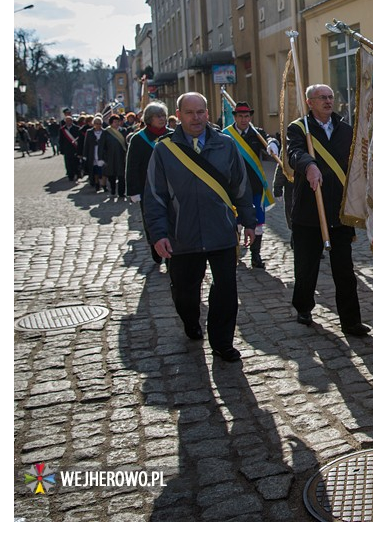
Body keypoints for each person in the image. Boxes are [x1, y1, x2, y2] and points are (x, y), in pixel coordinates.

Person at [144, 92, 256, 362]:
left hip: (221, 232)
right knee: (184, 292)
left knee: (226, 290)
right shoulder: (164, 150)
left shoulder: (226, 145)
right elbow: (155, 196)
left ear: (208, 113)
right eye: (190, 112)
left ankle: (221, 342)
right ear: (179, 115)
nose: (196, 118)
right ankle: (190, 319)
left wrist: (249, 222)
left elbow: (240, 186)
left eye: (201, 112)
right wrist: (158, 235)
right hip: (183, 235)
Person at [286, 84, 369, 337]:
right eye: (322, 97)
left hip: (339, 211)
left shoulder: (345, 129)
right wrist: (308, 164)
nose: (328, 101)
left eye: (331, 97)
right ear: (309, 102)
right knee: (306, 266)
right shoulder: (299, 128)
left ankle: (351, 321)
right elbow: (293, 152)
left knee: (344, 270)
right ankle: (303, 306)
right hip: (309, 211)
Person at [222, 102, 278, 268]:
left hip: (254, 186)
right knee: (236, 221)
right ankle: (234, 253)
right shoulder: (226, 135)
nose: (244, 119)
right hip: (234, 187)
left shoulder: (257, 134)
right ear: (235, 117)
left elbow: (268, 139)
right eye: (240, 116)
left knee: (257, 221)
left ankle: (256, 255)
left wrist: (273, 143)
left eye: (247, 116)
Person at [126, 101, 172, 267]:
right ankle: (155, 246)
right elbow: (132, 166)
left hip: (170, 186)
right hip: (148, 189)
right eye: (158, 116)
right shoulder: (138, 139)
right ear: (148, 119)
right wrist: (133, 190)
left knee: (171, 218)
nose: (162, 119)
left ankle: (170, 250)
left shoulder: (172, 135)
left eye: (163, 116)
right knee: (151, 219)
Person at [99, 114, 128, 200]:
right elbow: (102, 146)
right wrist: (102, 157)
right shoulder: (106, 132)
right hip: (110, 157)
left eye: (118, 121)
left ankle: (121, 192)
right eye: (115, 122)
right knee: (111, 175)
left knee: (121, 176)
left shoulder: (123, 131)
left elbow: (126, 144)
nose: (117, 123)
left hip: (121, 156)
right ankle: (113, 190)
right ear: (111, 123)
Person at [83, 116, 106, 192]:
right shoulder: (89, 132)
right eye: (96, 123)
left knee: (103, 170)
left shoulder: (104, 132)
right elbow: (86, 144)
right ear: (93, 124)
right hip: (93, 153)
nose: (98, 125)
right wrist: (85, 155)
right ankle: (97, 184)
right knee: (95, 169)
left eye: (99, 123)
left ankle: (104, 184)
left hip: (102, 153)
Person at [59, 112, 83, 182]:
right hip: (67, 149)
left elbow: (79, 138)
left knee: (76, 162)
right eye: (67, 121)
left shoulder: (77, 128)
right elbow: (61, 140)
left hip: (75, 148)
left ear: (72, 121)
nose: (68, 122)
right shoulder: (62, 130)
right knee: (68, 163)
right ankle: (70, 175)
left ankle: (77, 173)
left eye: (69, 121)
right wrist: (61, 149)